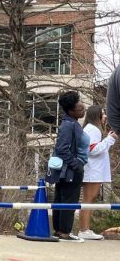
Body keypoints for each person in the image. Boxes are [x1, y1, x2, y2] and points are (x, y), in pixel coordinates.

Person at [46, 91, 88, 241]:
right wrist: (76, 165)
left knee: (61, 198)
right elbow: (62, 149)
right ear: (70, 110)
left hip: (66, 169)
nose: (82, 107)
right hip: (69, 170)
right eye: (79, 106)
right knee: (68, 200)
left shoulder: (70, 123)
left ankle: (59, 231)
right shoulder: (69, 125)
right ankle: (64, 232)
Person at [79, 105, 116, 240]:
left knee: (90, 199)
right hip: (92, 170)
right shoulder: (93, 129)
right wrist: (109, 139)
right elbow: (93, 149)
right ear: (96, 115)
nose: (105, 116)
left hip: (94, 170)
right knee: (89, 199)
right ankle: (84, 230)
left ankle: (85, 229)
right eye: (103, 113)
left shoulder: (92, 129)